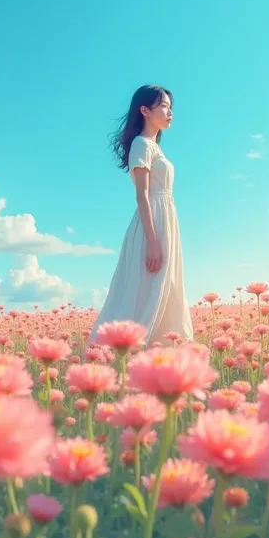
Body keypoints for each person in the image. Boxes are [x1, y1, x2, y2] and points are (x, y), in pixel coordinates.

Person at [89, 84, 194, 346]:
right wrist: (153, 241)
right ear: (145, 110)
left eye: (171, 107)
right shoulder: (141, 144)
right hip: (152, 224)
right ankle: (128, 349)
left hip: (165, 220)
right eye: (164, 106)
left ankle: (161, 352)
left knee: (163, 286)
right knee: (146, 288)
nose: (170, 112)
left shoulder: (155, 147)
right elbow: (141, 195)